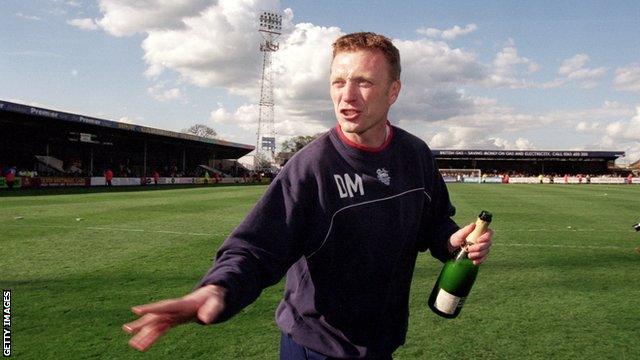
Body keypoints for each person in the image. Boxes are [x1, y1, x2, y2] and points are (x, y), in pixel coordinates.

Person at [122, 32, 493, 359]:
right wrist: (218, 287)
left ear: (393, 91)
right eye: (338, 82)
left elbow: (434, 222)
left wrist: (451, 240)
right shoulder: (311, 166)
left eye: (363, 82)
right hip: (317, 346)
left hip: (382, 341)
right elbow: (255, 247)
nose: (347, 96)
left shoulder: (416, 155)